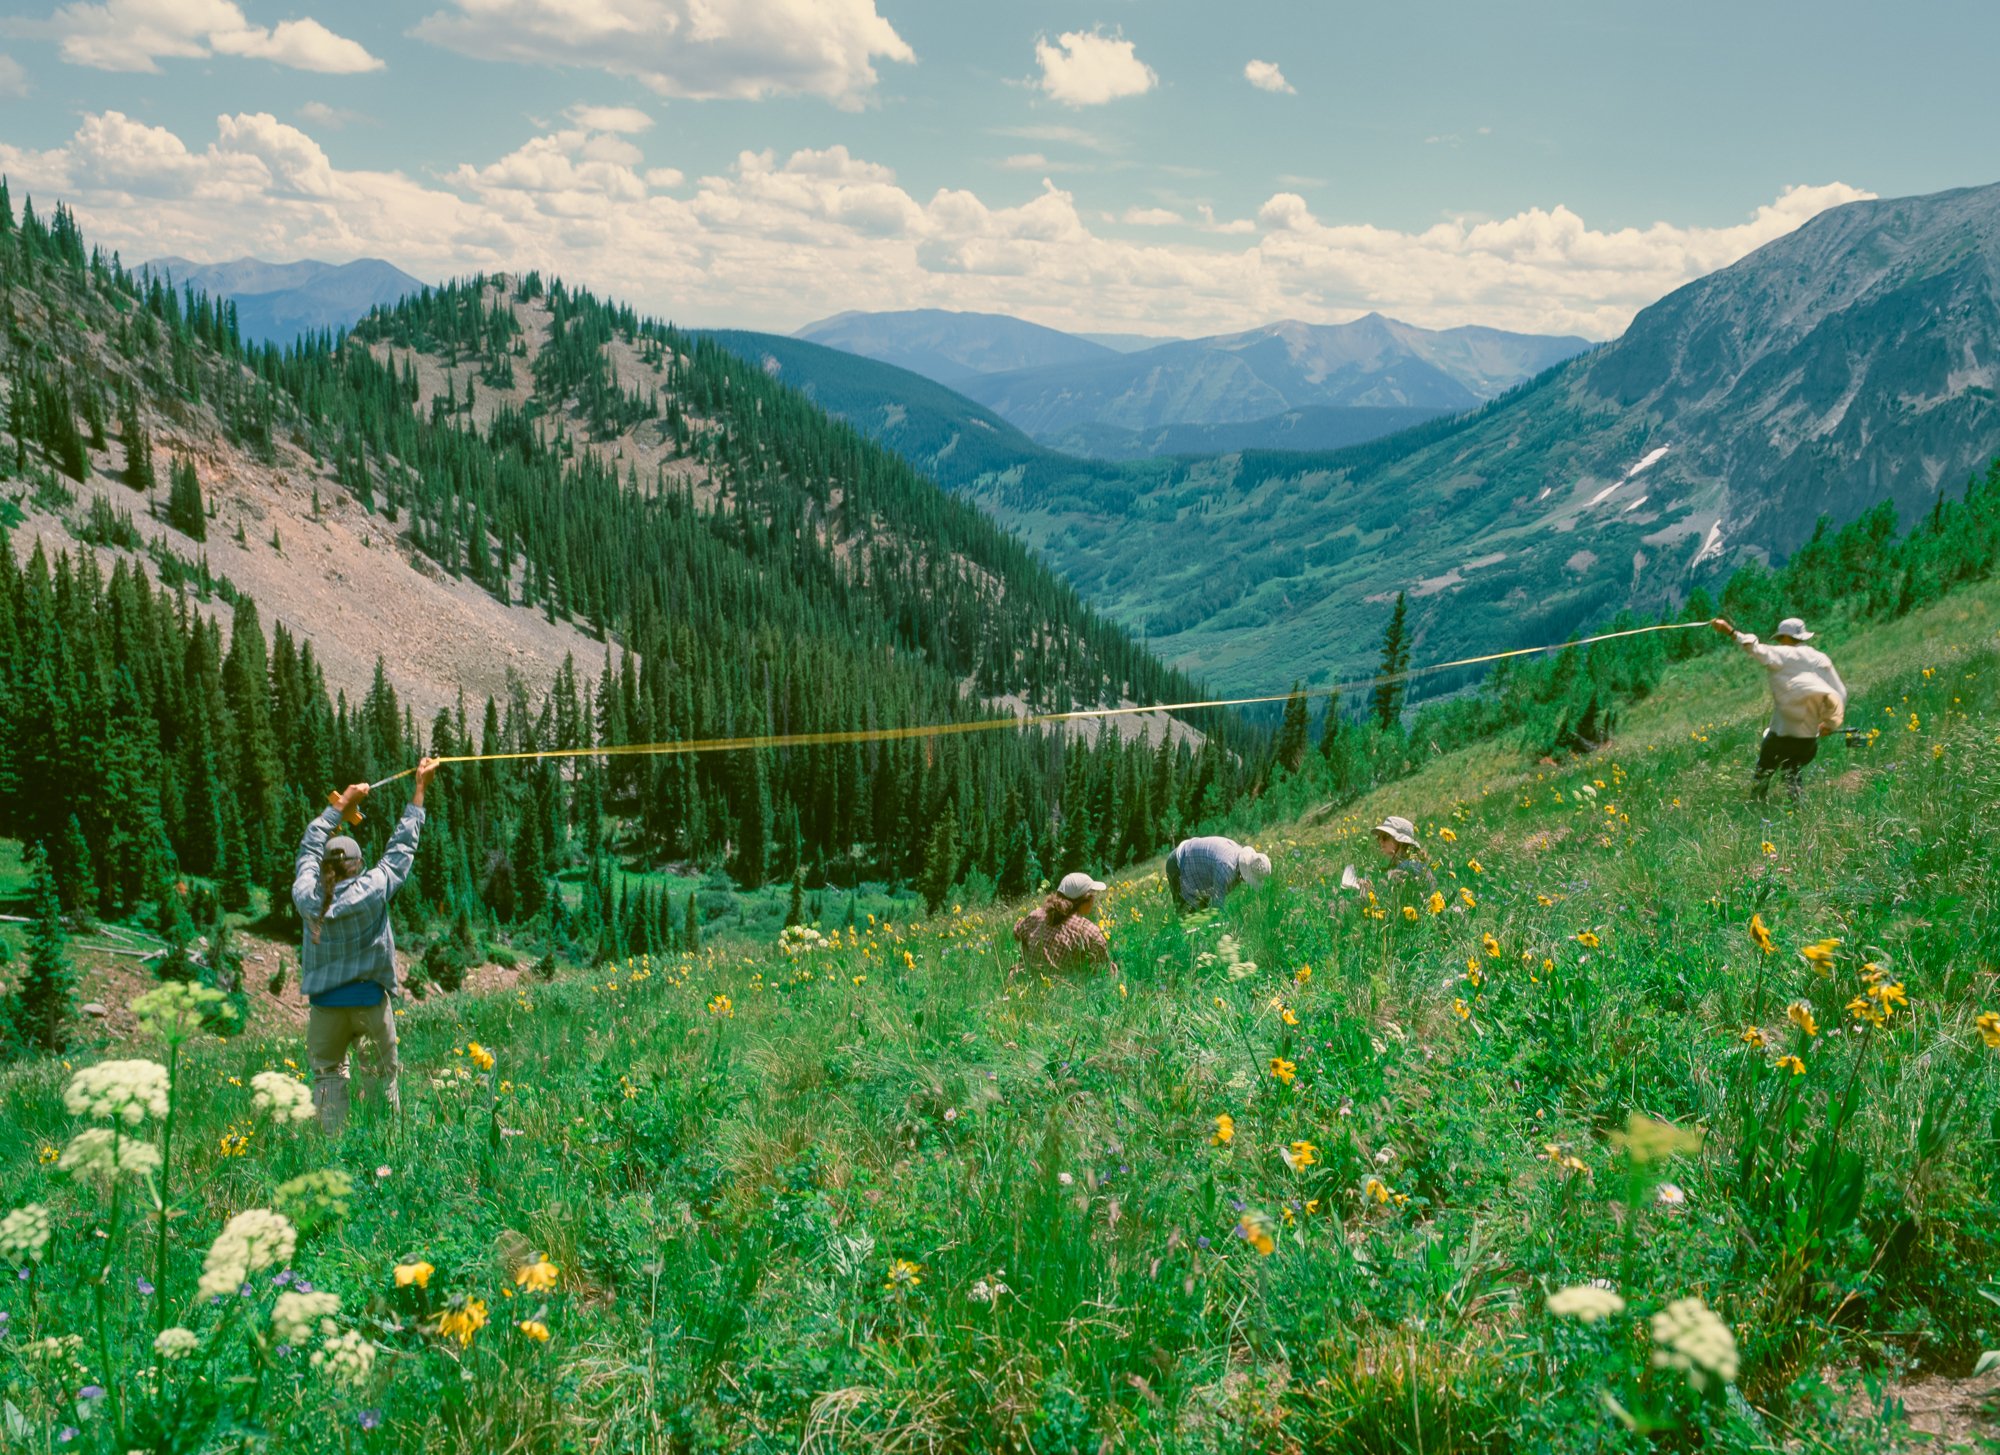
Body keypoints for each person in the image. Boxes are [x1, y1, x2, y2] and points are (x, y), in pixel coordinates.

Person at [292, 759, 437, 1133]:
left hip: (325, 1009)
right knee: (380, 1080)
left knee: (327, 1079)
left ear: (325, 867)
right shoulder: (372, 889)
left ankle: (332, 1152)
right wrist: (419, 790)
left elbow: (308, 846)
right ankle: (385, 1150)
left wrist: (338, 808)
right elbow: (401, 849)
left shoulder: (307, 898)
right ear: (358, 865)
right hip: (370, 1004)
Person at [1710, 616, 1847, 800]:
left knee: (1763, 773)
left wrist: (1730, 631)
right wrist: (1830, 724)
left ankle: (1756, 809)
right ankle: (1799, 813)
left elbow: (1754, 648)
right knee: (1792, 774)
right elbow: (1840, 693)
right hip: (1808, 740)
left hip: (1782, 734)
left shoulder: (1783, 655)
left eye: (1781, 639)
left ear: (1785, 637)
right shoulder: (1821, 659)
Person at [1013, 872, 1116, 975]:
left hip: (1032, 981)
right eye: (1093, 894)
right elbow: (1105, 970)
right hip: (1070, 987)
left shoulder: (1035, 916)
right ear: (1085, 900)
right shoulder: (1089, 931)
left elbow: (1017, 933)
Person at [1165, 836, 1272, 912]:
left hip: (1196, 865)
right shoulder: (1226, 868)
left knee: (1201, 913)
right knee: (1187, 917)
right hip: (1178, 864)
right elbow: (1216, 907)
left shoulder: (1237, 856)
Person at [1341, 815, 1435, 897]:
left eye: (1385, 837)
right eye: (1378, 838)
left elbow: (1399, 903)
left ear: (1401, 841)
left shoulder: (1411, 867)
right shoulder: (1405, 864)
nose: (1380, 841)